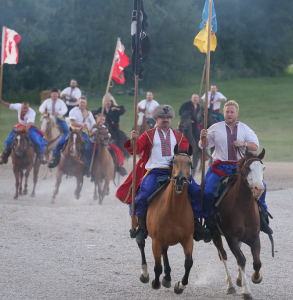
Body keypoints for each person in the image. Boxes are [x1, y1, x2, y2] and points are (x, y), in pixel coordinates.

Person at [116, 105, 212, 244]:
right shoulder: (148, 135)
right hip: (155, 170)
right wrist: (133, 140)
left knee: (196, 190)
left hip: (176, 171)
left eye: (167, 117)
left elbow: (187, 151)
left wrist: (202, 139)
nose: (165, 120)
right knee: (144, 194)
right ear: (156, 118)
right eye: (162, 117)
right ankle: (142, 227)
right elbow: (134, 150)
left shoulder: (178, 135)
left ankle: (196, 222)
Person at [199, 100, 272, 235]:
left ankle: (262, 217)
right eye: (227, 112)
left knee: (263, 186)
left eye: (232, 112)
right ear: (224, 113)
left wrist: (242, 143)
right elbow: (204, 146)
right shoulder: (215, 127)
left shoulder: (245, 128)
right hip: (219, 166)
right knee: (208, 191)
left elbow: (255, 146)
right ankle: (207, 221)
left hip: (239, 168)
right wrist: (203, 137)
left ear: (237, 113)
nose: (229, 114)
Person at [48, 96, 95, 177]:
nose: (82, 104)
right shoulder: (73, 111)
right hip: (73, 131)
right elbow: (72, 123)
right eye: (81, 102)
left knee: (87, 147)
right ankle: (55, 159)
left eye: (84, 102)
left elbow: (93, 124)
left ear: (86, 103)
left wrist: (97, 126)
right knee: (60, 142)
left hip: (83, 133)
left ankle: (87, 166)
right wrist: (82, 125)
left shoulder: (89, 113)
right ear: (78, 103)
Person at [0, 99, 47, 164]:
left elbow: (29, 124)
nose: (25, 110)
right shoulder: (18, 106)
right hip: (19, 126)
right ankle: (4, 156)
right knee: (8, 140)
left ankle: (41, 156)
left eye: (26, 108)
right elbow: (11, 106)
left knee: (37, 141)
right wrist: (2, 102)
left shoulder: (32, 112)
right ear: (21, 107)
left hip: (29, 127)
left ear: (28, 107)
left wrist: (25, 131)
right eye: (24, 108)